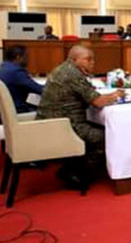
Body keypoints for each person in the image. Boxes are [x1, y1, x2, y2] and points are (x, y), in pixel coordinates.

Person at [36, 46, 125, 190]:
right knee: (106, 136)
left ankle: (71, 168)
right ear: (74, 59)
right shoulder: (73, 74)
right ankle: (78, 174)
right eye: (88, 59)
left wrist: (108, 95)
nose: (92, 63)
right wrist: (116, 95)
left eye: (93, 59)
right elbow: (98, 102)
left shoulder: (63, 69)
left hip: (51, 123)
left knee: (99, 127)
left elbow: (90, 95)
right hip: (65, 127)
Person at [0, 46, 44, 125]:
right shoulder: (16, 72)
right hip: (1, 114)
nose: (28, 60)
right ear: (18, 57)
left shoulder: (4, 67)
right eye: (26, 57)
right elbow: (39, 89)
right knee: (45, 112)